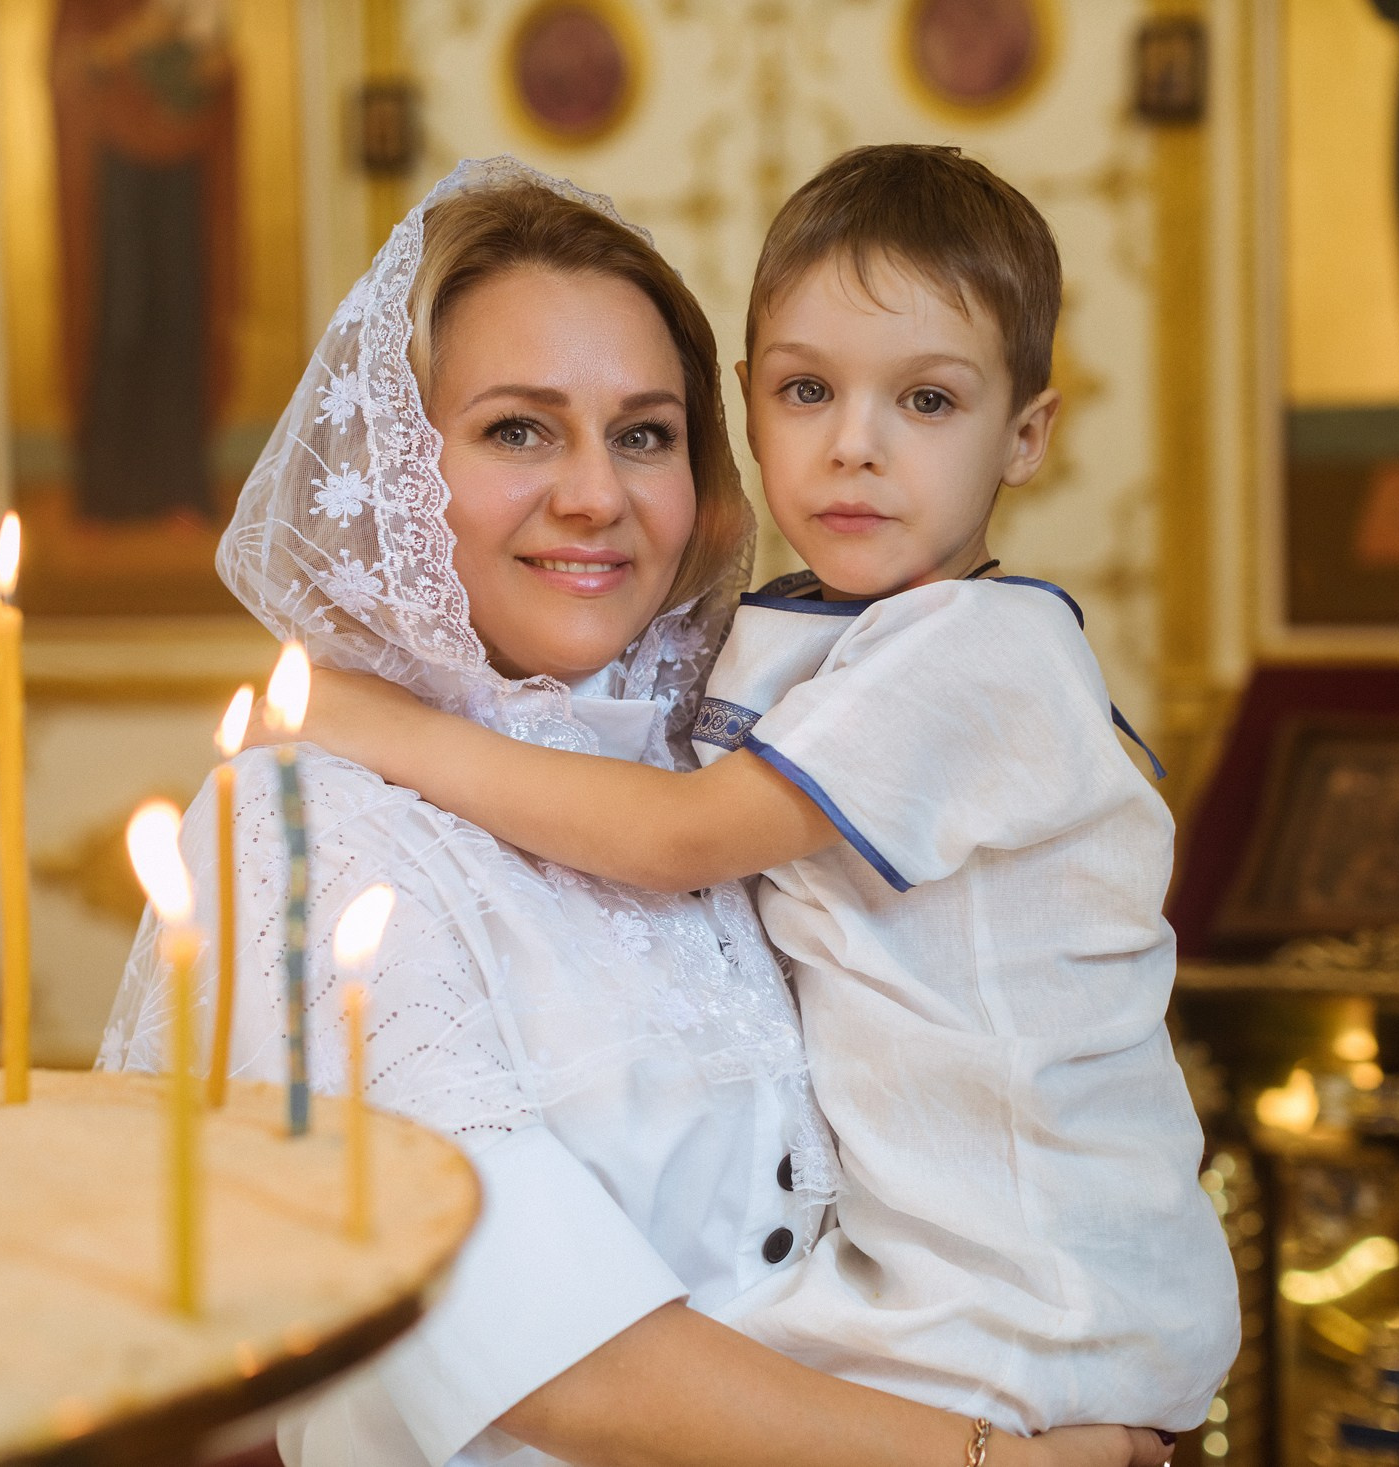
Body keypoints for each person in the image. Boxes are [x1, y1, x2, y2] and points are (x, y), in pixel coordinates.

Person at [101, 156, 1178, 1467]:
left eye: (644, 433)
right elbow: (529, 1347)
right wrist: (995, 1462)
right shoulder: (299, 837)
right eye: (517, 428)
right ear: (393, 461)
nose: (595, 495)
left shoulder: (714, 764)